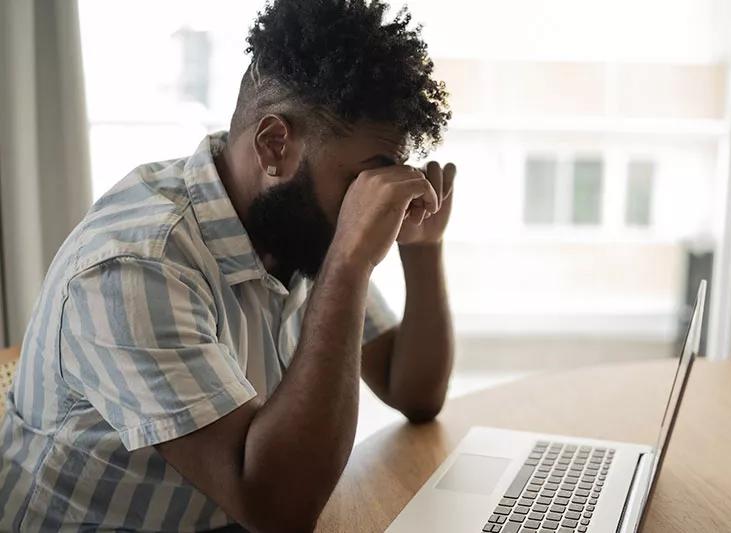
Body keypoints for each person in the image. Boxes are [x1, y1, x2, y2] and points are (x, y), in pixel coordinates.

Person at [0, 0, 454, 530]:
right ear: (274, 146)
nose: (375, 199)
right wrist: (349, 265)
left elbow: (413, 391)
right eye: (367, 178)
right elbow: (277, 509)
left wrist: (421, 248)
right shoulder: (136, 266)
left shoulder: (294, 226)